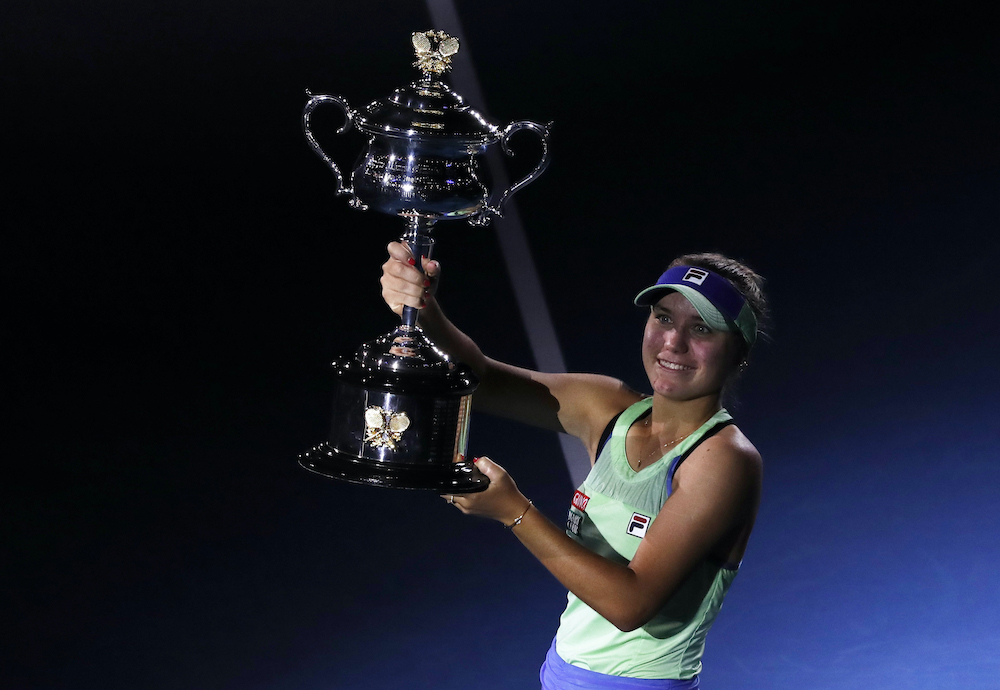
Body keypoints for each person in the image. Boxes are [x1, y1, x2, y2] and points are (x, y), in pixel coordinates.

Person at [380, 242, 768, 689]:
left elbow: (630, 604)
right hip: (563, 671)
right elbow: (479, 379)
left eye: (701, 329)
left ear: (739, 351)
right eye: (663, 318)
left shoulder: (723, 461)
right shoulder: (608, 408)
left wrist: (514, 511)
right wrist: (424, 308)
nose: (673, 343)